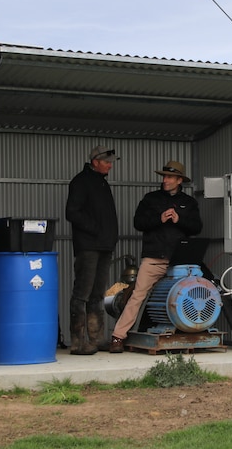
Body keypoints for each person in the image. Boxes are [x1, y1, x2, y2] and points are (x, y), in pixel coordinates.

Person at [109, 160, 203, 353]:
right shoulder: (150, 199)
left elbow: (197, 227)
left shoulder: (189, 202)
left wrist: (180, 220)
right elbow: (138, 222)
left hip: (180, 262)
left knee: (187, 296)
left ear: (179, 180)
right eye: (164, 176)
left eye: (170, 177)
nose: (165, 180)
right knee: (138, 296)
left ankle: (189, 333)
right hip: (154, 258)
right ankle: (118, 337)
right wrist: (159, 219)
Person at [65, 145, 120, 355]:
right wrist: (96, 230)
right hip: (88, 247)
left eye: (111, 162)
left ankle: (96, 339)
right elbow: (72, 212)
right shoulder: (81, 181)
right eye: (107, 162)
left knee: (98, 294)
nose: (110, 165)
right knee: (82, 294)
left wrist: (108, 237)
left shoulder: (101, 183)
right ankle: (78, 343)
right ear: (95, 161)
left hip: (104, 246)